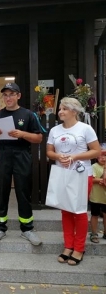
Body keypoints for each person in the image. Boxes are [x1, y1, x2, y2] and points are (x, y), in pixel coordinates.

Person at [0, 82, 43, 246]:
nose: (8, 97)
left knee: (23, 191)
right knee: (1, 190)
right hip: (3, 154)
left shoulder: (28, 115)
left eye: (12, 94)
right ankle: (0, 228)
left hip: (22, 154)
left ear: (19, 96)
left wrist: (22, 134)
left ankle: (27, 229)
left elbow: (39, 138)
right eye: (5, 95)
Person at [46, 97, 100, 265]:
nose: (60, 111)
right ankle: (68, 245)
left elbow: (96, 151)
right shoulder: (55, 130)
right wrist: (58, 156)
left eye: (64, 108)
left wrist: (75, 156)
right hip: (61, 173)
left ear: (74, 112)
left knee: (79, 211)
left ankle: (79, 248)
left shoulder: (85, 128)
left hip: (81, 174)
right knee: (65, 211)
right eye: (60, 108)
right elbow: (49, 152)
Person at [89, 151, 106, 243]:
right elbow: (92, 179)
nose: (103, 158)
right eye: (101, 156)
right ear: (96, 157)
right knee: (94, 215)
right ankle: (94, 233)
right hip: (95, 196)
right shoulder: (94, 166)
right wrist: (102, 180)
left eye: (105, 156)